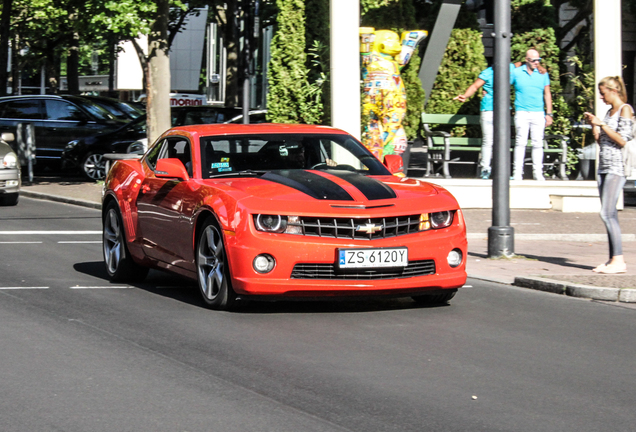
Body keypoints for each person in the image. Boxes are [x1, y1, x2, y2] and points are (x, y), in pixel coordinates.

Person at [454, 62, 539, 179]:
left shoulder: (509, 67)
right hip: (489, 110)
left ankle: (501, 170)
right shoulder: (488, 73)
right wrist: (465, 95)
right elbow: (475, 86)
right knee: (488, 141)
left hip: (503, 111)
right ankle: (485, 169)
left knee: (502, 142)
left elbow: (522, 63)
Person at [584, 76, 634, 274]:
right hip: (604, 166)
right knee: (609, 214)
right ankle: (613, 259)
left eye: (603, 93)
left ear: (614, 91)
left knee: (606, 213)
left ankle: (619, 260)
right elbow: (602, 141)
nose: (601, 97)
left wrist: (602, 125)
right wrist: (595, 126)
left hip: (617, 167)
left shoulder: (625, 109)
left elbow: (622, 140)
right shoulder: (608, 112)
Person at [511, 48, 553, 180]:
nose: (536, 62)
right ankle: (517, 172)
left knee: (537, 143)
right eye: (534, 60)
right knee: (520, 142)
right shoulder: (516, 73)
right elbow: (504, 87)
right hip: (522, 112)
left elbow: (547, 94)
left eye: (538, 60)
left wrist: (549, 113)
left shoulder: (542, 74)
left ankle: (538, 173)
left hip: (538, 112)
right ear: (526, 60)